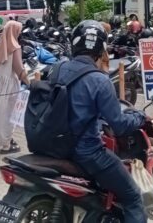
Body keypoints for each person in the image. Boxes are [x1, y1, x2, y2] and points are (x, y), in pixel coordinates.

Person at [57, 21, 147, 223]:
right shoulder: (99, 80)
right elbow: (119, 125)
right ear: (101, 49)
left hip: (53, 147)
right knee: (133, 197)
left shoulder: (58, 69)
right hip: (86, 153)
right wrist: (139, 117)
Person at [0, 20, 29, 154]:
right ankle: (7, 143)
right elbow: (19, 69)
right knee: (8, 114)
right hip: (10, 84)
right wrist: (30, 83)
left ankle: (4, 140)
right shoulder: (15, 47)